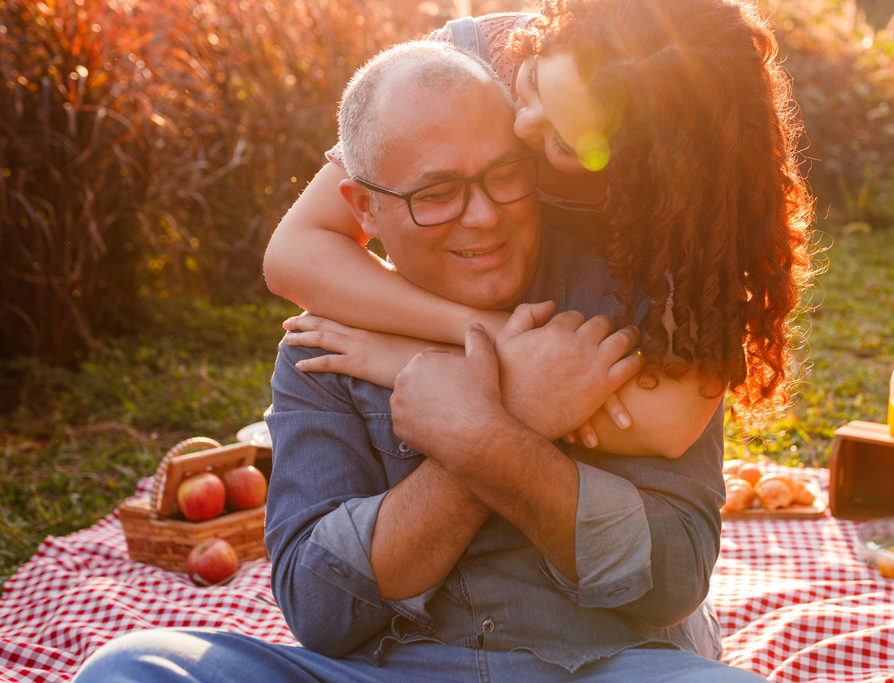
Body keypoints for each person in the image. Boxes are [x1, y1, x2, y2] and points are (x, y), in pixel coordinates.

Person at [75, 41, 766, 681]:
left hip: (614, 666)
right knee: (130, 670)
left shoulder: (637, 298)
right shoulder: (330, 338)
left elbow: (673, 576)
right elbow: (319, 606)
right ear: (363, 209)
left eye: (504, 176)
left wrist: (484, 426)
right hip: (393, 671)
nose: (484, 216)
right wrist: (511, 416)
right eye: (437, 195)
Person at [263, 0, 813, 453]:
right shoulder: (468, 61)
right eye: (532, 83)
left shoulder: (690, 192)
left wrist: (417, 363)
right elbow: (295, 253)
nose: (522, 127)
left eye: (563, 143)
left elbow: (668, 424)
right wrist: (496, 338)